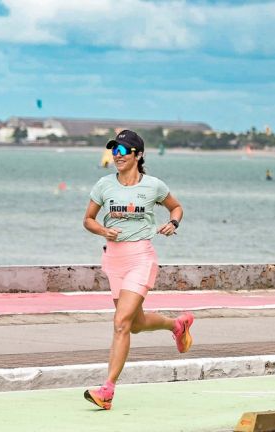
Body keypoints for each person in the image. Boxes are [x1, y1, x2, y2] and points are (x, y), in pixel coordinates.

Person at [82, 129, 192, 410]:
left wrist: (174, 223)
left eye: (122, 151)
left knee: (120, 323)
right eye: (114, 151)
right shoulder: (104, 185)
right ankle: (176, 325)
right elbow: (88, 220)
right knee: (135, 324)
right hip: (114, 259)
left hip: (141, 257)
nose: (116, 157)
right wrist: (103, 230)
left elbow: (176, 207)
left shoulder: (153, 186)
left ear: (138, 155)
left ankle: (107, 390)